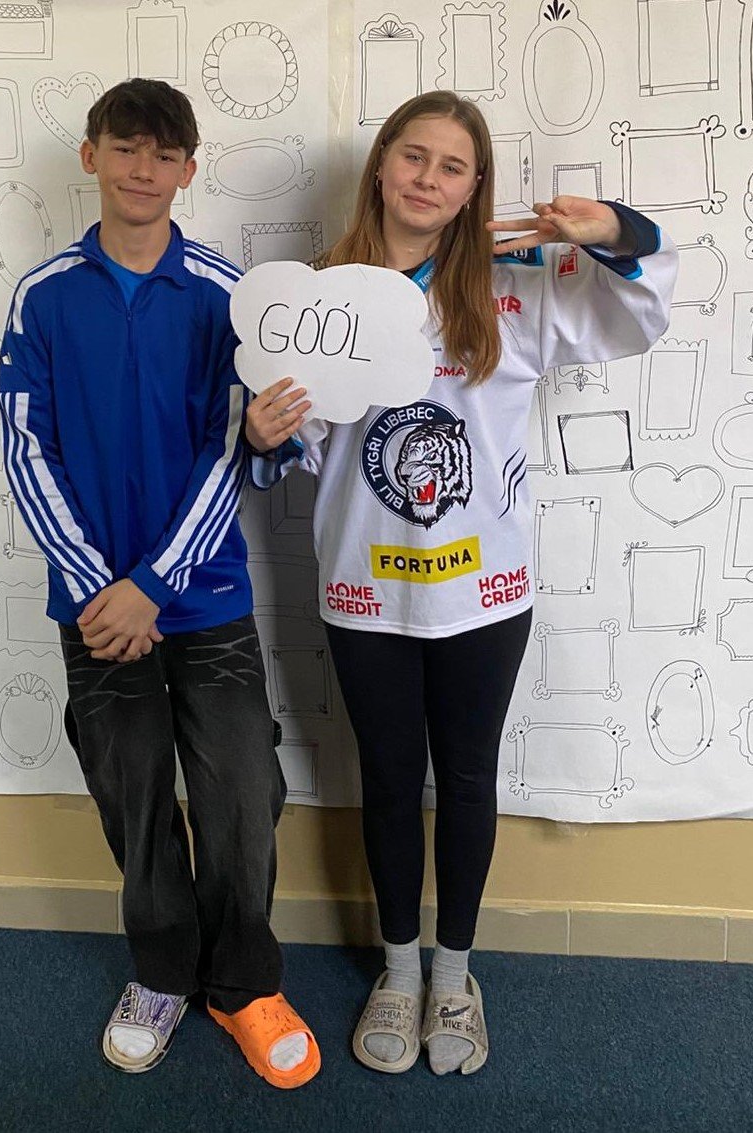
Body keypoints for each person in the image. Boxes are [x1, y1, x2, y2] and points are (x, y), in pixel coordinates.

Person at [245, 90, 676, 1077]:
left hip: (485, 590)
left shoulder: (515, 282)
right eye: (414, 156)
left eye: (452, 166)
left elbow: (639, 307)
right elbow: (295, 445)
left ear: (475, 186)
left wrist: (612, 228)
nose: (428, 179)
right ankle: (399, 972)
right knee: (390, 780)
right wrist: (263, 436)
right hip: (365, 590)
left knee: (470, 778)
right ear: (382, 165)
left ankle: (455, 974)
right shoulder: (323, 295)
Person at [0, 78, 320, 1088]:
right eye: (126, 147)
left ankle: (244, 983)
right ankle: (162, 974)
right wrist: (104, 586)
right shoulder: (43, 295)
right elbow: (26, 449)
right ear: (92, 155)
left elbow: (243, 449)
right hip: (95, 610)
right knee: (132, 797)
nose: (144, 169)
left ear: (189, 168)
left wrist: (157, 580)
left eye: (164, 153)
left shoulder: (231, 296)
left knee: (242, 791)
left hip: (206, 598)